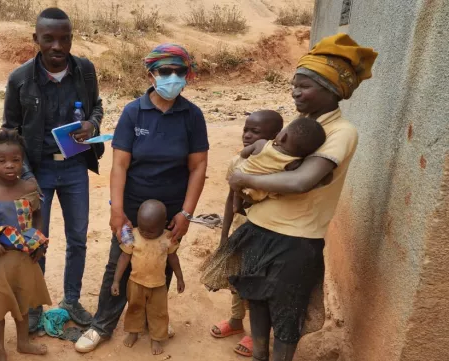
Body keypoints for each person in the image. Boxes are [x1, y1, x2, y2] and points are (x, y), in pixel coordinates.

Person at [225, 33, 378, 361]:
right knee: (258, 303)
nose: (295, 91)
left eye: (305, 85)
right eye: (294, 84)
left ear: (333, 89)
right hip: (259, 229)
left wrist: (244, 177)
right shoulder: (301, 124)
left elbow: (301, 181)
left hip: (294, 241)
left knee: (286, 318)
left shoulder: (341, 133)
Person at [75, 43, 208, 353]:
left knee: (159, 263)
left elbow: (198, 166)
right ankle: (102, 325)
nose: (173, 77)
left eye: (179, 71)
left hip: (171, 211)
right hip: (133, 208)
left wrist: (186, 214)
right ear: (151, 74)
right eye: (165, 71)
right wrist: (117, 211)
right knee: (119, 264)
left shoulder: (192, 115)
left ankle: (152, 319)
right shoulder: (134, 112)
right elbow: (120, 164)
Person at [2, 7, 104, 330]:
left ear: (72, 39)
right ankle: (34, 306)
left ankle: (71, 300)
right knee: (37, 240)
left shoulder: (85, 72)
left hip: (75, 168)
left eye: (64, 39)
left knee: (78, 238)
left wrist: (92, 123)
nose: (57, 47)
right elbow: (10, 130)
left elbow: (98, 106)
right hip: (38, 172)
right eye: (49, 39)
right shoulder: (20, 79)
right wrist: (24, 176)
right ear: (36, 39)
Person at [200, 110, 283, 358]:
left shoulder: (278, 166)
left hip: (265, 235)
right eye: (246, 129)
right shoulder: (238, 161)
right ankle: (236, 320)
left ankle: (257, 333)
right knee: (236, 278)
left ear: (275, 136)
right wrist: (224, 235)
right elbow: (230, 200)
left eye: (255, 132)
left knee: (258, 284)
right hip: (241, 231)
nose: (247, 135)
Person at [0, 129, 52, 361]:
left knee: (23, 301)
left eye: (16, 160)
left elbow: (37, 216)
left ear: (22, 161)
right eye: (2, 161)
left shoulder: (28, 189)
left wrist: (39, 243)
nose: (9, 166)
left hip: (25, 258)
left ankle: (23, 343)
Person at [111, 200, 184, 355]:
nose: (144, 233)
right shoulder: (134, 235)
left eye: (150, 231)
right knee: (134, 308)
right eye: (142, 228)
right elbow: (124, 258)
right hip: (135, 283)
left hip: (158, 285)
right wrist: (116, 280)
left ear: (163, 224)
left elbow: (173, 259)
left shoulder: (168, 238)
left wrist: (180, 278)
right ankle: (133, 332)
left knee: (159, 312)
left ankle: (156, 338)